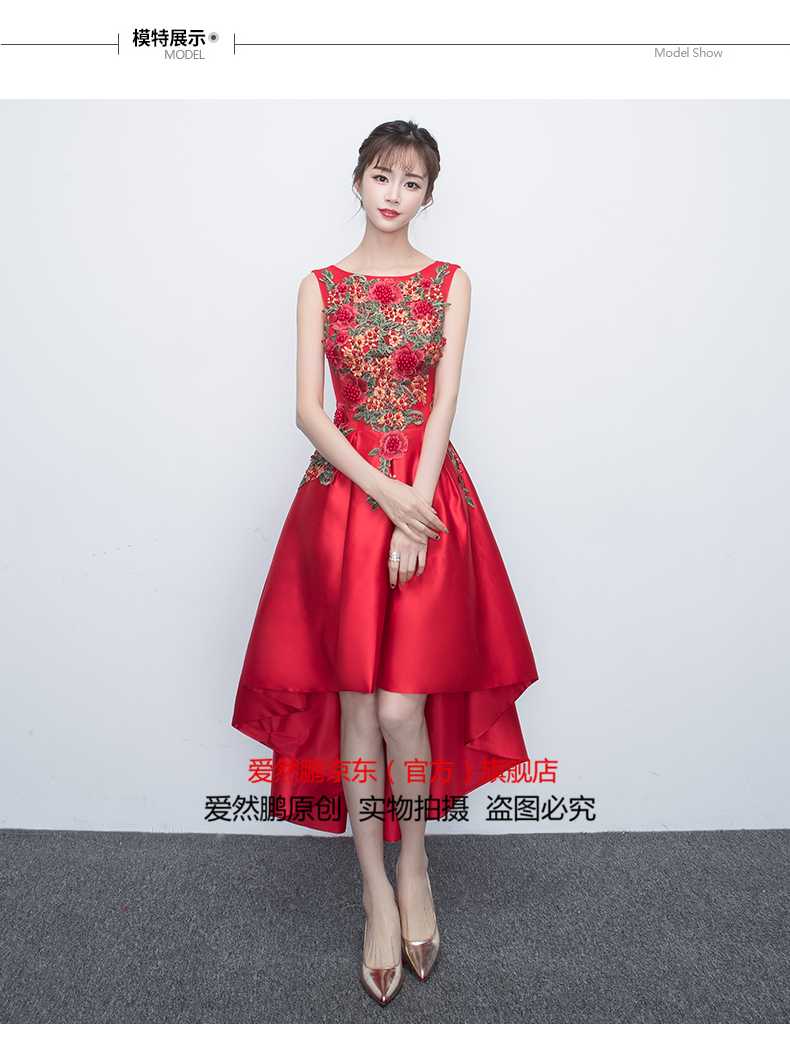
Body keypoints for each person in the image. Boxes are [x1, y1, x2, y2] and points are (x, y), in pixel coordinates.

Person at [233, 119, 538, 1004]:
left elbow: (444, 400)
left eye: (411, 182)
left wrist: (416, 513)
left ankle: (415, 865)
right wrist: (383, 494)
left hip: (431, 503)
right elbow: (308, 409)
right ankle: (374, 889)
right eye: (381, 175)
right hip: (344, 500)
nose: (393, 194)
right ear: (358, 181)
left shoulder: (450, 282)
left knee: (405, 705)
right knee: (358, 703)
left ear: (429, 196)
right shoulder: (320, 286)